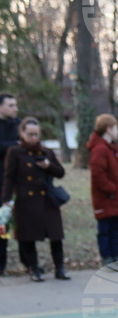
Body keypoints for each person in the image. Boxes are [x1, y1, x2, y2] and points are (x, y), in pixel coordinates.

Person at [0, 118, 68, 281]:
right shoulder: (15, 152)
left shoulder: (46, 152)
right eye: (30, 134)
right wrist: (6, 200)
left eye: (36, 134)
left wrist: (48, 166)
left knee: (55, 235)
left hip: (47, 200)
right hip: (26, 200)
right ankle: (33, 268)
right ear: (22, 133)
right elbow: (9, 178)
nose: (33, 138)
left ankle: (59, 268)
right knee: (27, 235)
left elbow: (60, 172)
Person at [87, 114, 118, 265]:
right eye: (116, 128)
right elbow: (98, 174)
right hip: (106, 197)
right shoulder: (100, 149)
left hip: (115, 197)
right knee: (105, 229)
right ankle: (107, 257)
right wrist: (111, 189)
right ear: (109, 129)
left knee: (115, 228)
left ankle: (115, 255)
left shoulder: (111, 148)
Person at [0, 93, 20, 275]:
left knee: (6, 224)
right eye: (11, 105)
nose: (15, 108)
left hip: (16, 183)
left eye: (16, 105)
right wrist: (15, 145)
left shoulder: (18, 125)